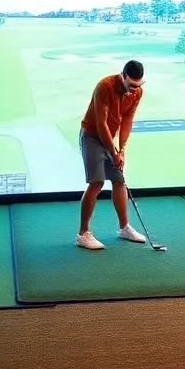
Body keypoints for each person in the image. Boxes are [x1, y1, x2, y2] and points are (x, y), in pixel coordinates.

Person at [76, 60, 149, 250]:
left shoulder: (137, 92)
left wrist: (122, 149)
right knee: (97, 182)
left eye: (139, 85)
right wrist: (113, 152)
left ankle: (124, 228)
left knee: (119, 180)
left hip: (110, 138)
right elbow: (101, 124)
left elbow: (127, 120)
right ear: (123, 75)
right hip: (92, 135)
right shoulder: (104, 86)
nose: (135, 89)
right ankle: (83, 234)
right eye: (132, 85)